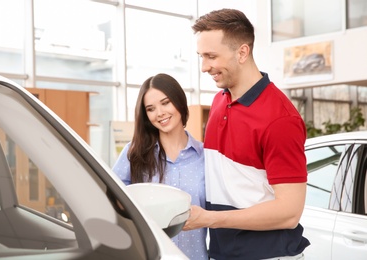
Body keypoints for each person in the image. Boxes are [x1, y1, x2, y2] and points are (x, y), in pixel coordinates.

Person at [183, 8, 310, 260]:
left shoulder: (280, 119)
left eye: (211, 56)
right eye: (201, 56)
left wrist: (210, 219)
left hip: (268, 255)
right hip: (224, 253)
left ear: (242, 52)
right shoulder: (220, 101)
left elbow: (289, 212)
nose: (204, 67)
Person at [112, 73, 208, 260]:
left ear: (179, 102)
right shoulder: (134, 154)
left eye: (165, 103)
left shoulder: (205, 157)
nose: (160, 113)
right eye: (151, 108)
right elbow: (113, 201)